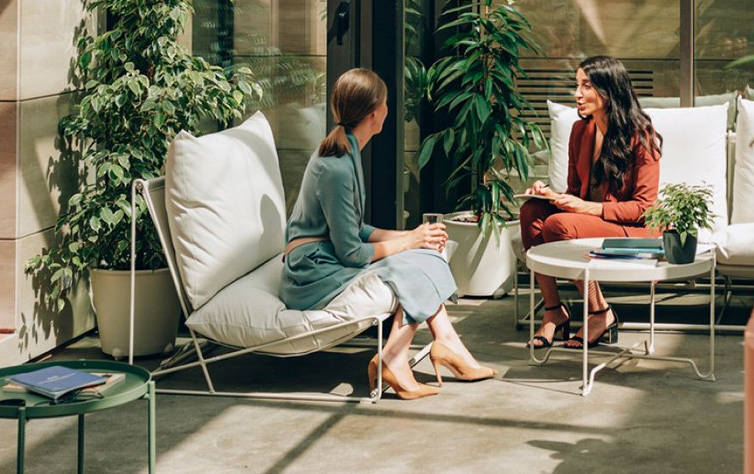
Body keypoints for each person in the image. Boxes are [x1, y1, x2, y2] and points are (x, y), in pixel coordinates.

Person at [281, 68, 496, 400]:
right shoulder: (336, 166)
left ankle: (440, 344)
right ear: (373, 113)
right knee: (416, 262)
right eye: (385, 104)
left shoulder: (347, 152)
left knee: (425, 254)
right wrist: (408, 242)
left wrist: (411, 235)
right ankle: (405, 355)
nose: (387, 110)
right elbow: (350, 253)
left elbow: (355, 229)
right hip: (311, 273)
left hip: (323, 259)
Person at [519, 55, 662, 349]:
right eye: (576, 85)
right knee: (532, 210)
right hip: (591, 220)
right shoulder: (580, 131)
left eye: (586, 86)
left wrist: (588, 208)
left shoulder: (641, 136)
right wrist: (551, 195)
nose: (577, 94)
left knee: (558, 225)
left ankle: (599, 312)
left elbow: (645, 207)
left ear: (609, 90)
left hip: (633, 228)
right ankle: (553, 310)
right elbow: (575, 191)